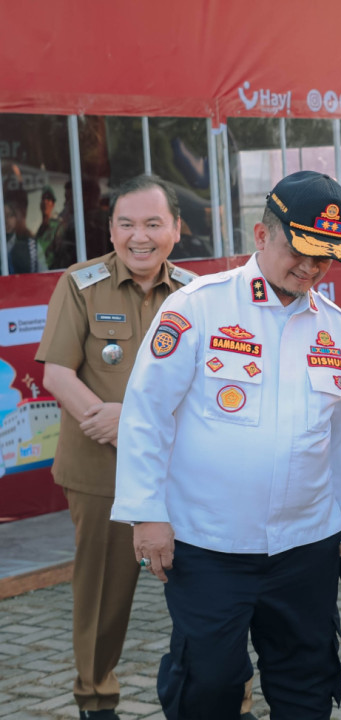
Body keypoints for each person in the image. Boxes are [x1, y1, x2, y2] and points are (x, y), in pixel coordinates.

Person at [111, 171, 341, 720]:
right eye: (299, 249)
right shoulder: (198, 309)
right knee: (207, 683)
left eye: (324, 256)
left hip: (305, 546)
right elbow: (147, 415)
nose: (309, 268)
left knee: (306, 680)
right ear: (262, 235)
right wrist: (146, 514)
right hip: (209, 544)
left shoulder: (335, 328)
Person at [35, 175, 197, 720]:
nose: (139, 236)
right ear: (111, 230)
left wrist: (132, 420)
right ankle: (96, 699)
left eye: (153, 223)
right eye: (127, 224)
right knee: (102, 597)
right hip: (100, 473)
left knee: (209, 596)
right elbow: (58, 373)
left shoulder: (199, 296)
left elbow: (212, 387)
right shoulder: (80, 285)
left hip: (185, 475)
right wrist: (108, 421)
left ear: (176, 228)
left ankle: (221, 697)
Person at [5, 188, 46, 274]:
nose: (6, 220)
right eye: (3, 216)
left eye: (10, 215)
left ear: (17, 217)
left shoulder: (32, 246)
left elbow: (44, 274)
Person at [35, 185, 64, 269]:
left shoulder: (58, 227)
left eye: (49, 199)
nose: (45, 202)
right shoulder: (40, 229)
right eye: (43, 199)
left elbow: (60, 255)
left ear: (53, 204)